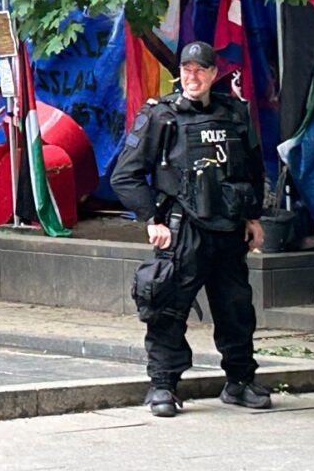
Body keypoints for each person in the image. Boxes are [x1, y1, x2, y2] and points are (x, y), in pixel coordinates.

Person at [110, 41, 269, 417]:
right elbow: (125, 176)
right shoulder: (161, 117)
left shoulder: (235, 113)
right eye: (186, 69)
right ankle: (163, 386)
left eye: (200, 69)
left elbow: (252, 169)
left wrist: (253, 217)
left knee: (236, 310)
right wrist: (153, 219)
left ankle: (240, 381)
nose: (192, 76)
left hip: (229, 230)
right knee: (165, 307)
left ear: (214, 74)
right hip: (182, 231)